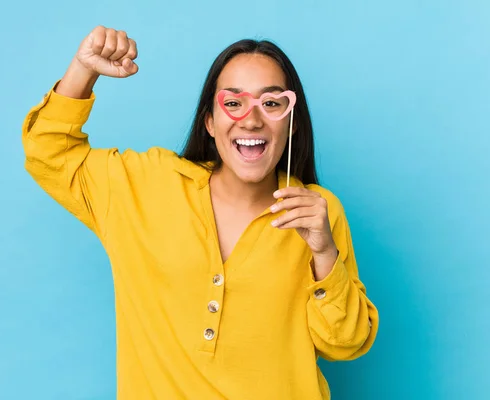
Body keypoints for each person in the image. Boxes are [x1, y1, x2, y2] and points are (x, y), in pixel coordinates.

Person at [21, 25, 379, 400]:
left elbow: (345, 344)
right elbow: (48, 153)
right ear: (210, 121)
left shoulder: (316, 211)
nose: (252, 119)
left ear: (290, 122)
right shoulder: (144, 187)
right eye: (233, 103)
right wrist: (83, 69)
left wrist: (325, 254)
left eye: (272, 104)